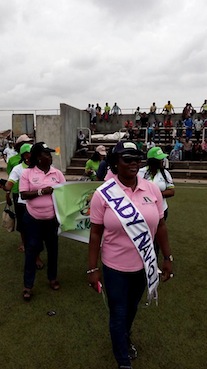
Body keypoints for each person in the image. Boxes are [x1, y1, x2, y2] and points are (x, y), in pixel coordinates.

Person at [88, 141, 173, 369]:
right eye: (128, 159)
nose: (134, 163)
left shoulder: (152, 189)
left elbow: (162, 226)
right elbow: (95, 234)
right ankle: (123, 361)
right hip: (114, 267)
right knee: (118, 311)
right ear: (115, 163)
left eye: (137, 158)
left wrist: (167, 258)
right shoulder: (103, 194)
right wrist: (92, 268)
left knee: (132, 308)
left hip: (144, 265)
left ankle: (124, 336)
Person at [19, 142, 66, 301]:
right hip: (33, 219)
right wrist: (41, 191)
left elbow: (64, 193)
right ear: (38, 157)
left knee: (53, 250)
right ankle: (28, 285)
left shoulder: (57, 173)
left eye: (50, 153)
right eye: (46, 154)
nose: (50, 156)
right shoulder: (27, 173)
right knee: (31, 251)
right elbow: (24, 195)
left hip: (52, 220)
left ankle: (52, 278)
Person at [5, 143, 43, 268]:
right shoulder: (18, 169)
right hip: (22, 204)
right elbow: (10, 183)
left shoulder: (40, 167)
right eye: (27, 155)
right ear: (23, 156)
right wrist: (6, 188)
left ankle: (36, 256)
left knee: (36, 232)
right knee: (25, 229)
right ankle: (30, 252)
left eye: (31, 154)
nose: (29, 157)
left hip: (37, 204)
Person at [7, 134, 33, 251]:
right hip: (18, 193)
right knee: (22, 220)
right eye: (24, 143)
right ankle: (24, 243)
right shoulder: (13, 161)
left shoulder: (35, 161)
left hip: (32, 194)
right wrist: (7, 194)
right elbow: (10, 179)